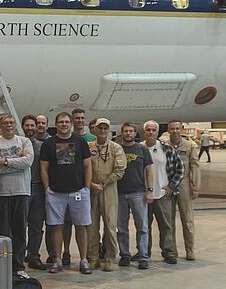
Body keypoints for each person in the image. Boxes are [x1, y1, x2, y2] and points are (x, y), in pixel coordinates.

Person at [40, 112, 93, 274]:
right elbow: (44, 168)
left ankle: (83, 260)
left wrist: (87, 188)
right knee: (56, 226)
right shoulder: (49, 144)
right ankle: (57, 260)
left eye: (66, 122)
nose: (64, 124)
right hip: (56, 193)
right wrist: (48, 189)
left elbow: (87, 166)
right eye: (61, 122)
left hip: (78, 191)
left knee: (81, 226)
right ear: (56, 124)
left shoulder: (80, 141)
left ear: (71, 124)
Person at [0, 114, 34, 278]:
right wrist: (17, 162)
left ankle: (19, 266)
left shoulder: (24, 141)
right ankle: (3, 265)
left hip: (21, 191)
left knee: (20, 231)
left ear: (15, 125)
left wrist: (6, 162)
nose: (8, 125)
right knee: (2, 232)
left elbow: (28, 162)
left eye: (11, 123)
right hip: (1, 192)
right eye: (5, 123)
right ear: (0, 126)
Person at [87, 118, 127, 272]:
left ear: (108, 130)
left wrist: (103, 184)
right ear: (94, 130)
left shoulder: (116, 148)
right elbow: (82, 167)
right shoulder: (88, 147)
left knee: (110, 225)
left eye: (105, 128)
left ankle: (110, 257)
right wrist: (91, 184)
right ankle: (94, 257)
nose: (102, 131)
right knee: (91, 227)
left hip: (108, 189)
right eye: (99, 128)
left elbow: (120, 170)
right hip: (91, 189)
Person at [142, 120, 183, 264]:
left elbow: (180, 168)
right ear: (144, 132)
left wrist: (172, 186)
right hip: (143, 196)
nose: (151, 132)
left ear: (157, 132)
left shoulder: (167, 149)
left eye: (153, 130)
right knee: (144, 226)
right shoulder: (139, 148)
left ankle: (168, 252)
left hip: (162, 195)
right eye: (148, 130)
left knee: (166, 226)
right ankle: (144, 252)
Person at [161, 120, 200, 260]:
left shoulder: (189, 145)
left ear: (182, 129)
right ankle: (172, 250)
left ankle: (190, 249)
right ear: (168, 130)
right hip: (168, 185)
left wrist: (195, 187)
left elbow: (195, 167)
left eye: (177, 128)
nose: (175, 131)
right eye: (172, 129)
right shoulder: (163, 146)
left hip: (184, 184)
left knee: (187, 219)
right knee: (168, 220)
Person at [116, 123, 153, 270]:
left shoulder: (142, 149)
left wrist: (150, 190)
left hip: (138, 193)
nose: (128, 133)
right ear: (122, 133)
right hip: (119, 193)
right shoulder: (117, 148)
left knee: (142, 227)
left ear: (135, 134)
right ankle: (125, 255)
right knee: (121, 227)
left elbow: (149, 171)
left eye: (131, 131)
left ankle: (143, 256)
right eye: (125, 131)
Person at [21, 115, 48, 270]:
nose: (30, 128)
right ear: (23, 126)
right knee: (19, 226)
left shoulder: (41, 145)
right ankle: (18, 255)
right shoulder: (17, 143)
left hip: (37, 188)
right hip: (21, 189)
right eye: (28, 125)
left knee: (37, 225)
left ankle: (34, 255)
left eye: (33, 125)